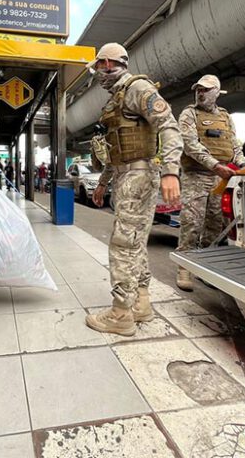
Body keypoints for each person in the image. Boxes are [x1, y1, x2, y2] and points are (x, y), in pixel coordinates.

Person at [84, 43, 181, 336]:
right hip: (127, 174)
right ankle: (141, 302)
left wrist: (171, 171)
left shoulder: (138, 89)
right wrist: (103, 182)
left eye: (101, 66)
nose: (100, 72)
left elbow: (169, 126)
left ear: (110, 64)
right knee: (135, 242)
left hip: (139, 176)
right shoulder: (118, 98)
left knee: (122, 244)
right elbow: (118, 150)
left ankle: (120, 314)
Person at [175, 74, 245, 291]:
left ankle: (205, 268)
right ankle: (184, 268)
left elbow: (234, 144)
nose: (200, 93)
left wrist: (242, 163)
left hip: (220, 177)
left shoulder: (225, 116)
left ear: (217, 92)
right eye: (198, 89)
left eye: (205, 89)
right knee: (191, 222)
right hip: (196, 176)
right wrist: (215, 165)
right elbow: (190, 145)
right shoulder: (189, 114)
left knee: (215, 224)